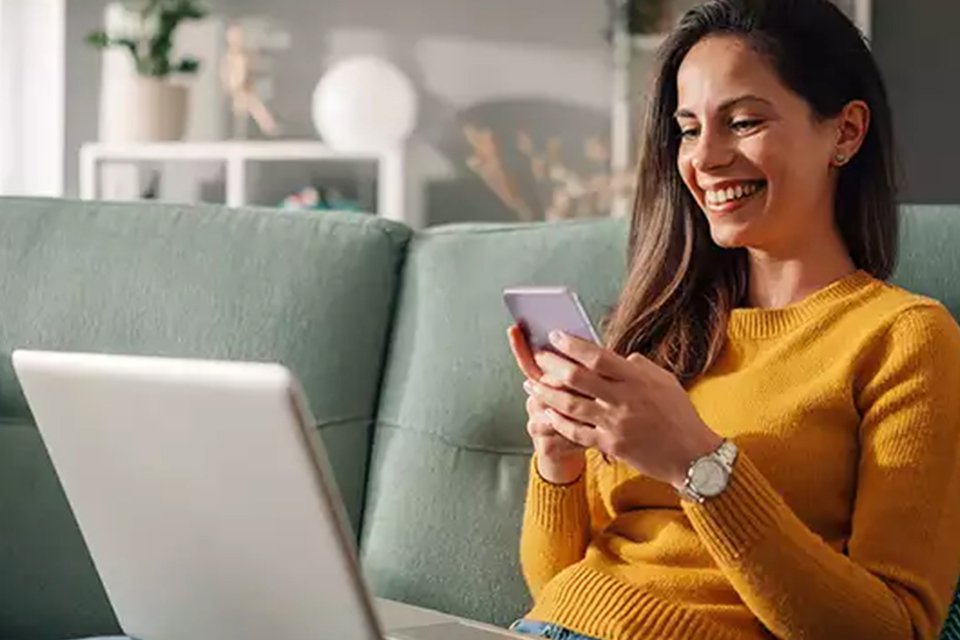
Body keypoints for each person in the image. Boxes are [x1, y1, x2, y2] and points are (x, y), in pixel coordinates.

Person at [506, 0, 960, 638]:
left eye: (743, 121)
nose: (705, 157)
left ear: (846, 133)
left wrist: (699, 463)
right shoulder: (660, 329)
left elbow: (894, 629)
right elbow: (555, 590)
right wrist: (557, 462)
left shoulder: (904, 337)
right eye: (688, 129)